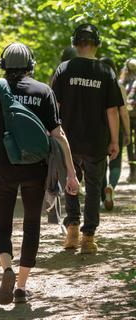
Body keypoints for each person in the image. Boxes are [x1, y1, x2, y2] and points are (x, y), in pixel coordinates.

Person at [0, 42, 79, 304]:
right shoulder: (43, 90)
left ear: (3, 65)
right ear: (31, 65)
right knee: (32, 225)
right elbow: (58, 134)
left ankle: (7, 269)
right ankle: (20, 287)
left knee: (2, 225)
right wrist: (71, 173)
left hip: (1, 165)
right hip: (35, 169)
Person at [51, 24, 123, 254]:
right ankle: (88, 238)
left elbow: (55, 107)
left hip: (68, 140)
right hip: (96, 141)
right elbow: (112, 111)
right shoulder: (106, 72)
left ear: (75, 44)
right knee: (93, 188)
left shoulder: (64, 69)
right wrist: (115, 140)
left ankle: (72, 230)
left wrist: (52, 134)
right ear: (96, 43)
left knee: (71, 184)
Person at [45, 46, 78, 225]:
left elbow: (52, 104)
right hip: (81, 129)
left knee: (57, 169)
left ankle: (58, 213)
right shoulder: (82, 72)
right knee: (75, 171)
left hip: (60, 128)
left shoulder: (57, 74)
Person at [99, 57, 130, 210]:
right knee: (115, 161)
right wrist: (127, 133)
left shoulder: (95, 85)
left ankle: (103, 198)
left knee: (100, 163)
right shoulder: (119, 87)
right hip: (115, 127)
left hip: (99, 128)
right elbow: (123, 113)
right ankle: (111, 187)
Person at [119, 58, 136, 183]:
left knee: (130, 145)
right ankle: (132, 172)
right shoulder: (123, 80)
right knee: (129, 145)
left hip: (130, 115)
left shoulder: (125, 80)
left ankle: (133, 173)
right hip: (128, 117)